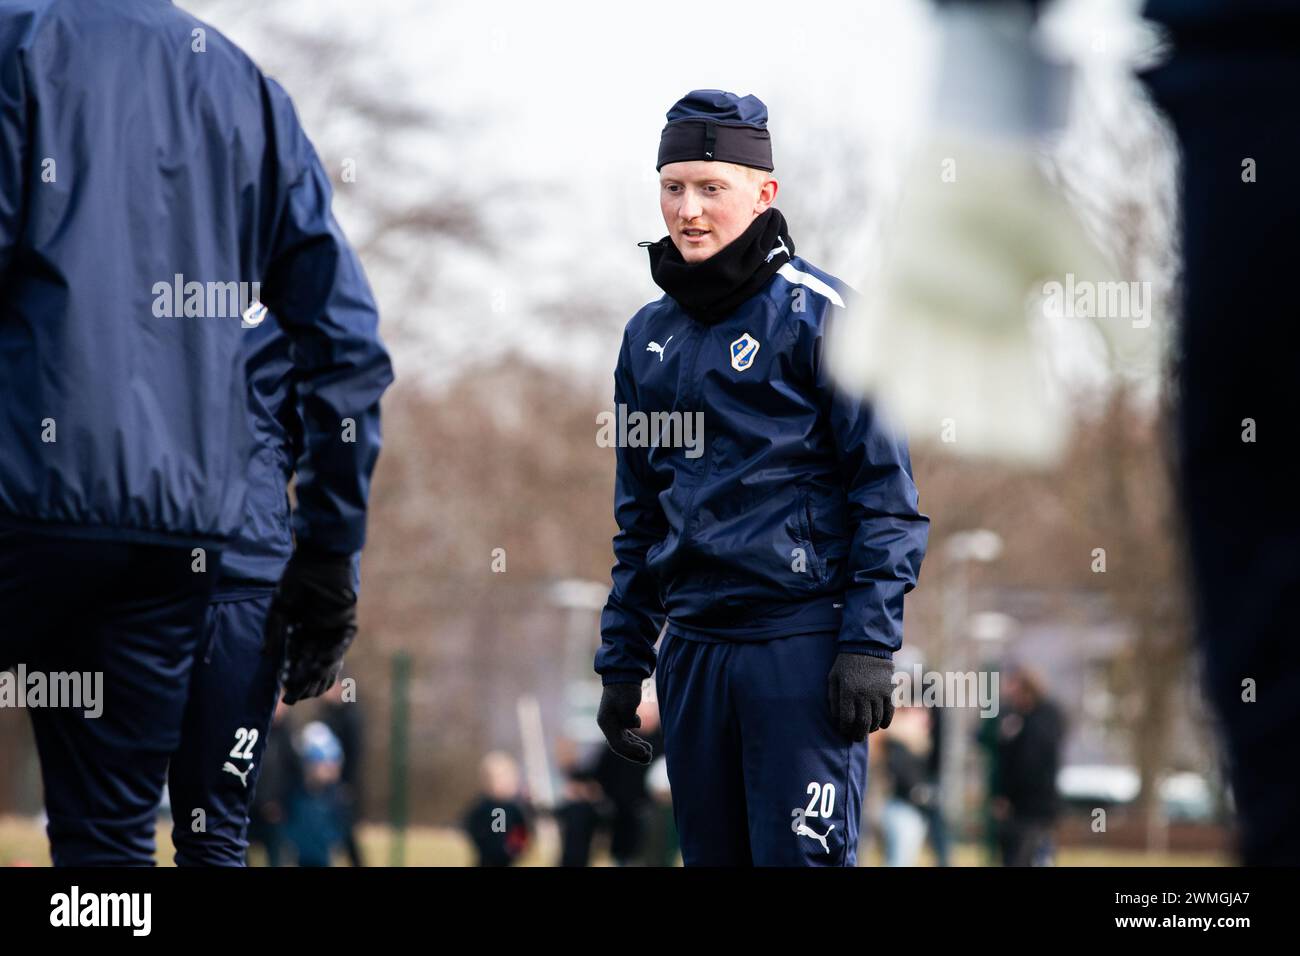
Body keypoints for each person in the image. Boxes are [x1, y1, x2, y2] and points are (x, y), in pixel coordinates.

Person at [0, 0, 392, 865]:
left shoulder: (16, 43)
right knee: (111, 845)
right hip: (174, 536)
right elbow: (349, 347)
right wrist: (329, 558)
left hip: (26, 497)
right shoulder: (245, 88)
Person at [593, 90, 930, 866]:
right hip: (693, 653)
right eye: (673, 186)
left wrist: (868, 646)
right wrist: (622, 663)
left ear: (763, 193)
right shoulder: (647, 338)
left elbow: (889, 501)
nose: (690, 209)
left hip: (800, 647)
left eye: (712, 187)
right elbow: (640, 516)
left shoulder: (828, 318)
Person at [992, 666, 1065, 867]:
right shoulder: (1016, 717)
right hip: (1021, 808)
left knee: (1030, 857)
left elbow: (1030, 762)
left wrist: (1008, 796)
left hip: (1033, 808)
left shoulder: (1043, 718)